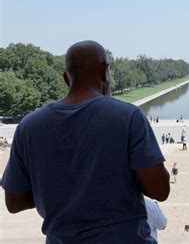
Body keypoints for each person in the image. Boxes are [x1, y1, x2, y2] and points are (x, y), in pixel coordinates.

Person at [1, 41, 170, 243]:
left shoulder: (28, 127)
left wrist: (62, 196)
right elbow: (160, 190)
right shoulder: (128, 117)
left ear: (66, 78)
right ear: (105, 71)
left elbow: (14, 202)